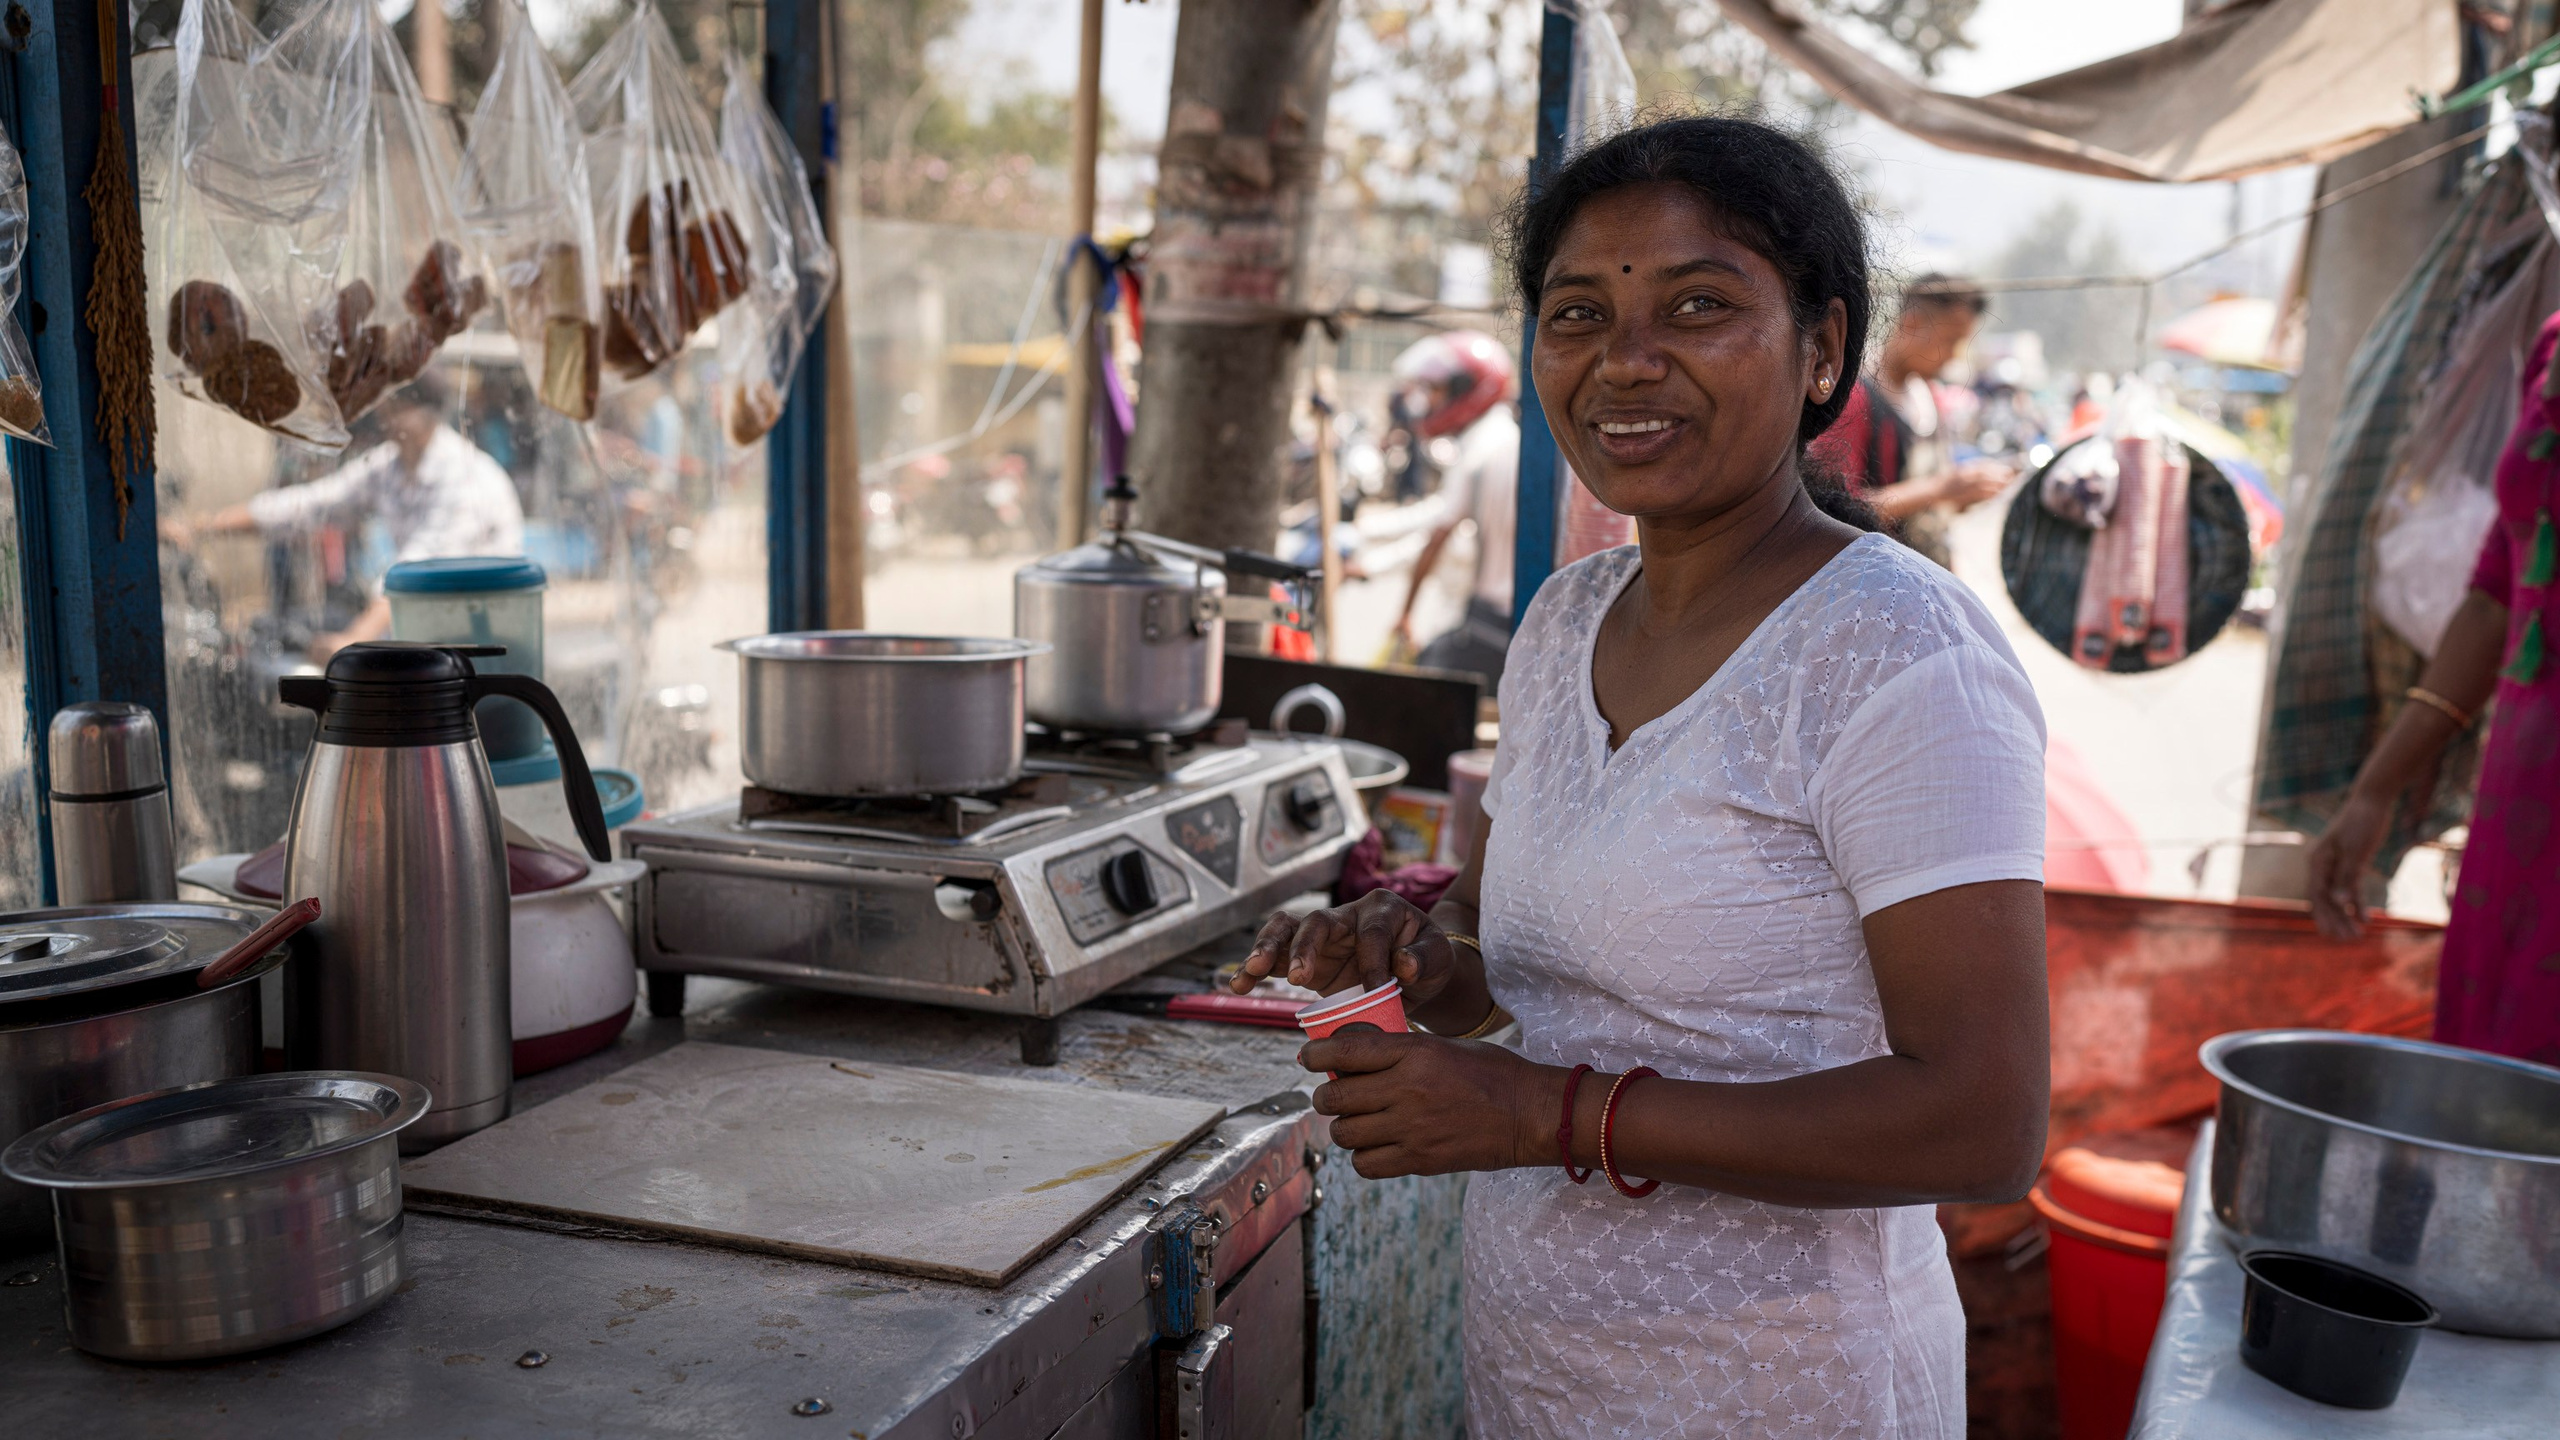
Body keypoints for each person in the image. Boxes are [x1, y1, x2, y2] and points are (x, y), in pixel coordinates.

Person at [1232, 116, 2050, 1437]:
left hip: (1787, 1389)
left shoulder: (1900, 654)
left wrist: (1543, 1116)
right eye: (1578, 315)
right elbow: (1514, 967)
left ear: (1823, 348)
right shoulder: (1565, 620)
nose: (1624, 359)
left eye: (1698, 305)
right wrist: (1429, 962)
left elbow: (1981, 1121)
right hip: (1545, 1376)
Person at [2305, 309, 2560, 1066]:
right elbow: (2494, 596)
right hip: (2519, 820)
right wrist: (2376, 789)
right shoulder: (2550, 346)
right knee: (2492, 1082)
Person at [180, 373, 525, 659]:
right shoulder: (388, 465)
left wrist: (353, 639)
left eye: (394, 405)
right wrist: (202, 527)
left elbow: (416, 570)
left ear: (424, 413)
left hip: (482, 650)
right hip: (424, 634)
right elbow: (310, 505)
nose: (384, 415)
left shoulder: (466, 477)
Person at [1809, 273, 2012, 567]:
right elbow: (1832, 512)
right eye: (1951, 340)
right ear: (1911, 323)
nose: (1955, 356)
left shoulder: (1929, 395)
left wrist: (1962, 493)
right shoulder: (1854, 397)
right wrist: (1940, 489)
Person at [1389, 330, 1520, 688]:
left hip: (1492, 619)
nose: (1430, 401)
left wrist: (1405, 612)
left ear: (1469, 389)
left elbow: (1436, 534)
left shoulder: (1482, 448)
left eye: (1437, 389)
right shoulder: (1497, 438)